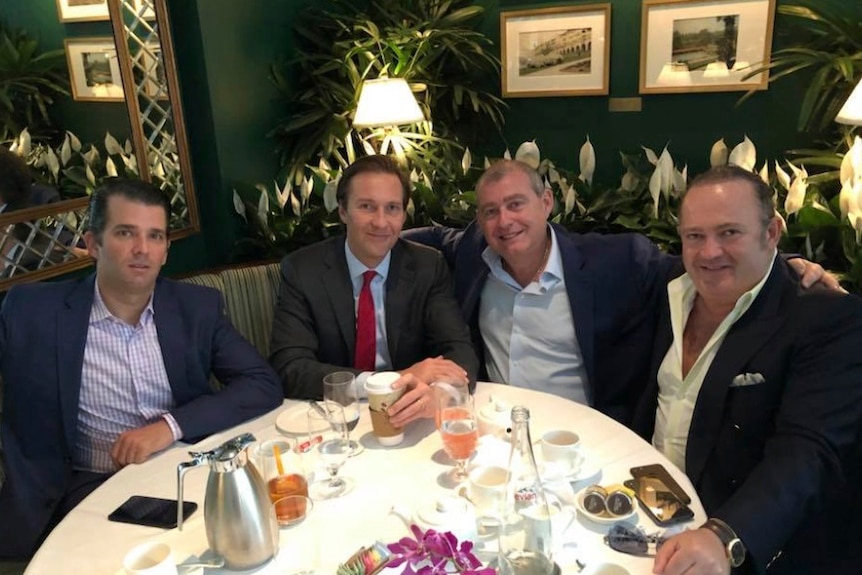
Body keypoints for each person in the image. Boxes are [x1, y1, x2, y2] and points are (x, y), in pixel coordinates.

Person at [404, 160, 837, 424]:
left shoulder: (617, 261)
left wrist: (784, 262)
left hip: (583, 435)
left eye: (516, 204)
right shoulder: (472, 253)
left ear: (547, 202)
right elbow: (429, 235)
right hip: (493, 426)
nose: (504, 222)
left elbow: (703, 263)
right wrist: (371, 233)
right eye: (490, 212)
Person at [0, 178, 283, 559]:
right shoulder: (32, 313)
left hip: (184, 475)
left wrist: (167, 428)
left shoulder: (195, 307)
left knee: (250, 540)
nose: (142, 249)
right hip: (90, 489)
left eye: (155, 236)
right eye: (125, 233)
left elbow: (261, 383)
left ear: (166, 250)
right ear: (92, 243)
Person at [631, 165, 862, 575]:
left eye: (729, 233)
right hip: (650, 508)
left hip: (741, 537)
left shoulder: (827, 318)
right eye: (694, 236)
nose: (709, 252)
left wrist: (725, 534)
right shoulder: (671, 287)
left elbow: (807, 450)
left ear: (771, 232)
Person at [269, 155, 478, 428]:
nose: (381, 222)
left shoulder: (428, 266)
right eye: (367, 206)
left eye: (392, 208)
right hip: (336, 418)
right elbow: (290, 367)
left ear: (403, 214)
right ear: (343, 210)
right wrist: (392, 380)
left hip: (410, 417)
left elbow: (459, 351)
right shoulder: (303, 270)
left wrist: (439, 393)